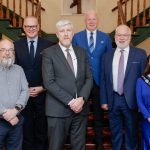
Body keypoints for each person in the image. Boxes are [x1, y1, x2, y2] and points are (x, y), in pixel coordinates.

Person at [42, 19, 93, 150]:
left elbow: (89, 78)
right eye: (62, 31)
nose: (65, 34)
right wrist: (71, 102)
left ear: (73, 33)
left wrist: (82, 99)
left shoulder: (82, 52)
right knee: (55, 146)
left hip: (80, 110)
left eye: (68, 30)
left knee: (79, 147)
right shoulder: (48, 53)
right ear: (57, 34)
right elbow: (49, 82)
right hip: (58, 110)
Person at [100, 24, 147, 150]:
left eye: (125, 35)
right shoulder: (107, 55)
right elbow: (103, 79)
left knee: (132, 134)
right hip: (113, 100)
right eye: (119, 35)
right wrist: (104, 100)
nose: (122, 38)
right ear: (115, 37)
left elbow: (144, 80)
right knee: (115, 134)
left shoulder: (140, 54)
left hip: (132, 101)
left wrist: (141, 102)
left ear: (130, 37)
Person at [72, 10, 112, 150]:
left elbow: (108, 60)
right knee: (80, 114)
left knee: (98, 114)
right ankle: (79, 143)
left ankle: (99, 142)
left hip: (99, 82)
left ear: (98, 21)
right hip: (82, 82)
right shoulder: (76, 37)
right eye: (89, 19)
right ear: (85, 21)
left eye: (94, 19)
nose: (91, 21)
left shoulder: (105, 38)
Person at [14, 16, 53, 150]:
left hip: (43, 93)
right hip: (23, 95)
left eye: (34, 26)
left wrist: (43, 87)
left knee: (42, 128)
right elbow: (15, 71)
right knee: (27, 128)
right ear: (24, 28)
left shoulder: (48, 45)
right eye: (28, 26)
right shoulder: (16, 45)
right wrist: (24, 89)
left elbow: (52, 70)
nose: (31, 29)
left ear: (38, 27)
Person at [0, 39, 29, 150]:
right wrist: (6, 114)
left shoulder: (19, 70)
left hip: (16, 121)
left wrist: (15, 110)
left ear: (14, 53)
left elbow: (25, 91)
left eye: (11, 50)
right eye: (4, 50)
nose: (7, 53)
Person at [136, 55, 150, 150]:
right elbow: (139, 101)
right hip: (147, 116)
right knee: (147, 141)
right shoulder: (140, 81)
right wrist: (148, 116)